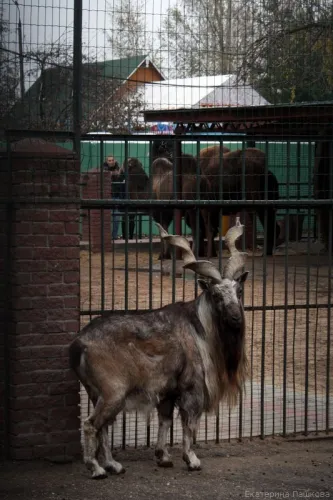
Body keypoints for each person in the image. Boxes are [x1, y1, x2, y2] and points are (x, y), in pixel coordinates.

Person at [103, 156, 125, 239]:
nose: (111, 162)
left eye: (112, 160)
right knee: (106, 218)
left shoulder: (119, 169)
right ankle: (107, 236)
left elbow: (122, 179)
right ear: (107, 161)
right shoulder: (103, 170)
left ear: (114, 161)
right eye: (109, 160)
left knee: (116, 218)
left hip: (117, 196)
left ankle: (114, 236)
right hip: (107, 197)